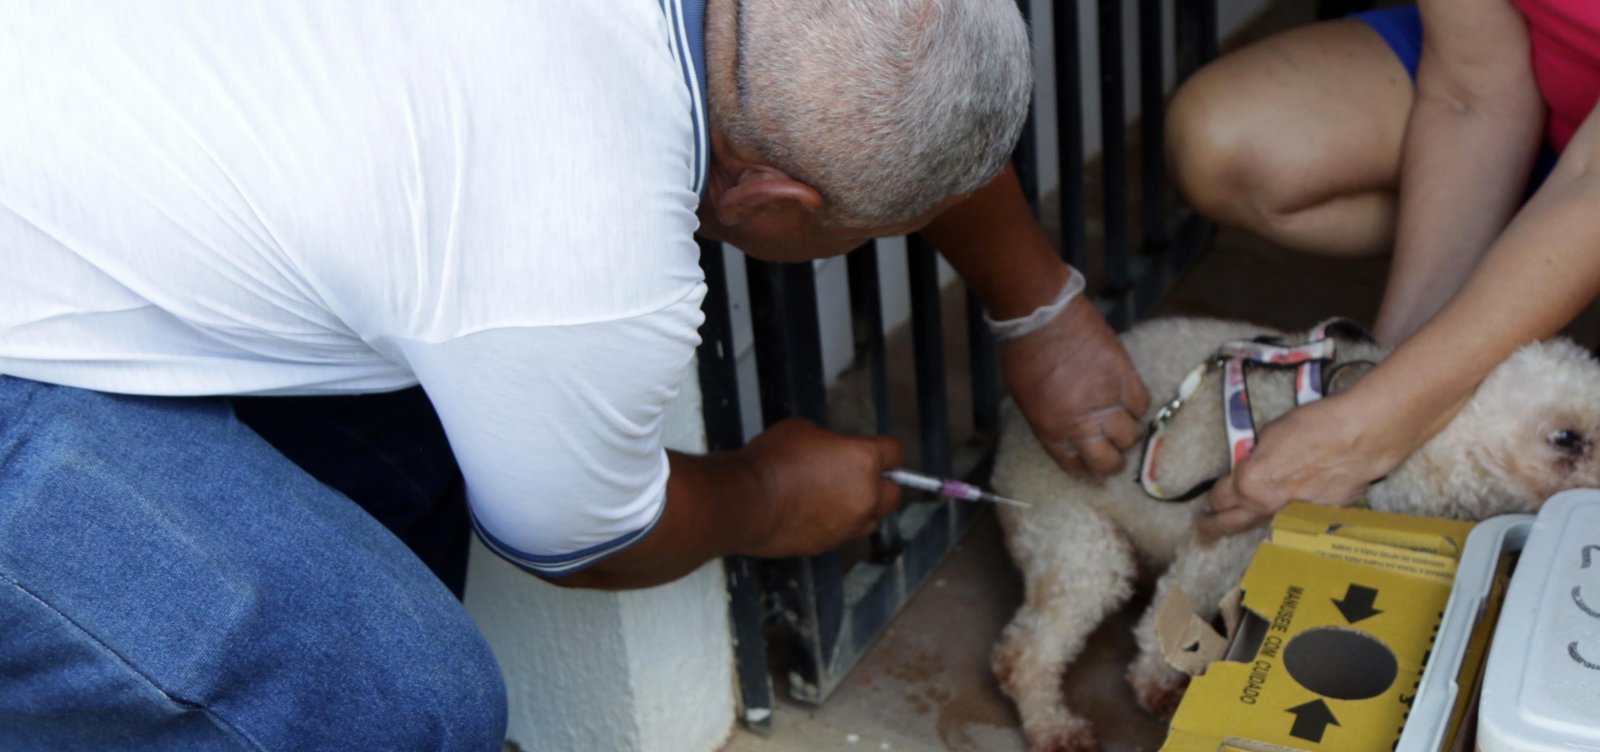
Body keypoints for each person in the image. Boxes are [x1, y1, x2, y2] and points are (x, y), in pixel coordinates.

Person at [0, 0, 1149, 749]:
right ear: (771, 205)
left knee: (423, 432)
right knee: (396, 701)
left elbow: (902, 64)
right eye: (863, 230)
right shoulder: (582, 255)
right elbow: (578, 535)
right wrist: (764, 493)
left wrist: (1036, 303)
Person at [1164, 0, 1600, 535]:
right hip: (1548, 80)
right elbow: (1473, 95)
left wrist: (1367, 429)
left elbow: (1591, 182)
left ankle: (1541, 283)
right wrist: (1382, 372)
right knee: (1221, 143)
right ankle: (1530, 280)